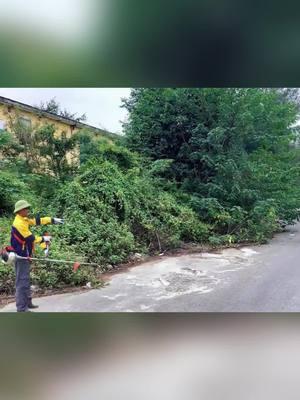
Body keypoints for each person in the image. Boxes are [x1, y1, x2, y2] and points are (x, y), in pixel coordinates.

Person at [11, 200, 64, 312]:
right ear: (20, 210)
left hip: (26, 253)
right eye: (26, 209)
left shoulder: (23, 219)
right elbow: (31, 239)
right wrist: (44, 239)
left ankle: (28, 302)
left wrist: (52, 220)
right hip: (21, 255)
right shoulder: (19, 223)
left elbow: (36, 221)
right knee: (22, 281)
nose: (28, 210)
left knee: (26, 279)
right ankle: (21, 308)